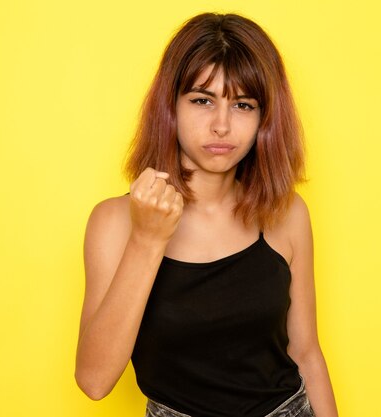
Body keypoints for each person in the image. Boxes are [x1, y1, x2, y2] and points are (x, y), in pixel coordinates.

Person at [75, 12, 338, 417]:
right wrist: (148, 239)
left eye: (243, 105)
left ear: (264, 118)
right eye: (202, 100)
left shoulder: (286, 213)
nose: (221, 125)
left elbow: (305, 352)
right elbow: (94, 381)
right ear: (171, 107)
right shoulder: (114, 223)